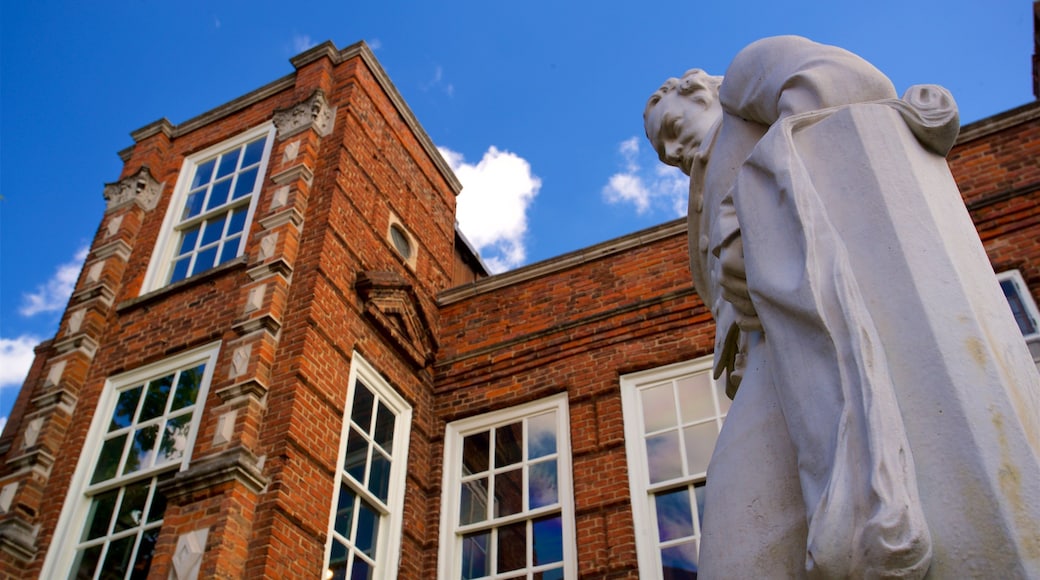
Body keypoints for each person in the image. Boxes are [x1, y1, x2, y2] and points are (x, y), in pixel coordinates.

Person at [645, 36, 936, 578]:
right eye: (661, 153)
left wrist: (755, 214)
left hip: (816, 326)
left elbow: (846, 85)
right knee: (739, 548)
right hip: (770, 361)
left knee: (742, 545)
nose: (668, 154)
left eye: (667, 130)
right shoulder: (700, 200)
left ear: (696, 92)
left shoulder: (744, 80)